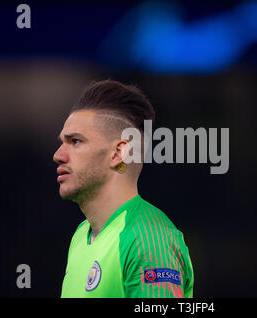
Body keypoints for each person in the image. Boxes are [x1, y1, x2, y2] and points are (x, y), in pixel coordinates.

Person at [53, 79, 194, 298]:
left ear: (118, 153)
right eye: (62, 142)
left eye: (76, 141)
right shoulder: (82, 234)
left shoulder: (148, 240)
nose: (58, 155)